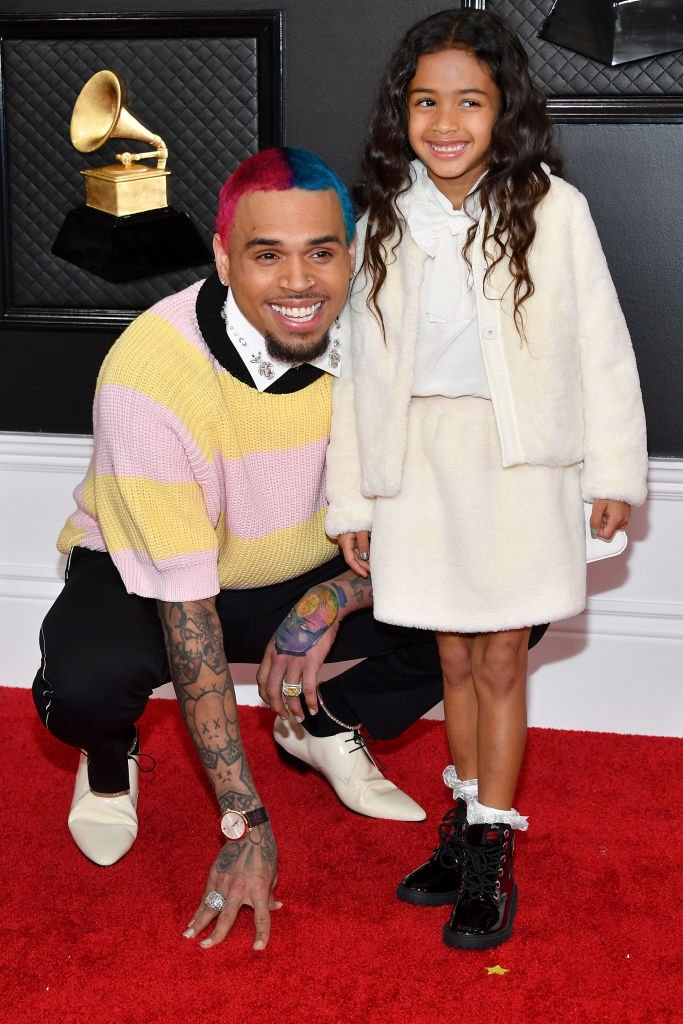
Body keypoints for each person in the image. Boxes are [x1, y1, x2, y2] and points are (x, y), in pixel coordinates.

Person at [33, 147, 454, 952]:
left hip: (308, 565)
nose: (299, 283)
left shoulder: (388, 334)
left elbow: (442, 515)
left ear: (351, 252)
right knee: (86, 683)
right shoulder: (150, 375)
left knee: (498, 603)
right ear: (224, 258)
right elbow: (188, 611)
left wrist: (331, 598)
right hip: (152, 572)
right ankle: (107, 754)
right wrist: (243, 823)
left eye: (321, 252)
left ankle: (321, 723)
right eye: (267, 254)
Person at [323, 9, 647, 951]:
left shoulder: (552, 209)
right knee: (452, 661)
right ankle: (462, 829)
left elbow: (603, 348)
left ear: (503, 109)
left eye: (469, 99)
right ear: (402, 113)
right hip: (417, 469)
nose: (447, 120)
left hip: (518, 468)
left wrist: (614, 472)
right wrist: (353, 497)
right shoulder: (384, 214)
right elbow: (357, 370)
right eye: (426, 101)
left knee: (501, 658)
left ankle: (492, 853)